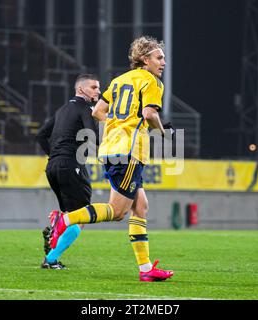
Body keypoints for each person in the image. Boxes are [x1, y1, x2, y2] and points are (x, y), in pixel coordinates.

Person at [50, 36, 174, 282]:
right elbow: (149, 114)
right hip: (129, 151)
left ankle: (146, 269)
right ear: (144, 59)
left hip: (112, 148)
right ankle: (65, 219)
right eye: (159, 58)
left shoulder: (118, 80)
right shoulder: (152, 82)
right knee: (117, 211)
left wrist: (118, 123)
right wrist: (163, 132)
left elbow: (97, 112)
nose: (164, 63)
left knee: (141, 206)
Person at [36, 74, 100, 269]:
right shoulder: (86, 108)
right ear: (81, 89)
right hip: (71, 164)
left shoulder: (63, 109)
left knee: (72, 213)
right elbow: (93, 137)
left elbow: (40, 135)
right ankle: (52, 258)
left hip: (53, 166)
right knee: (81, 216)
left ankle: (59, 220)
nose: (98, 91)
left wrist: (55, 155)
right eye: (94, 87)